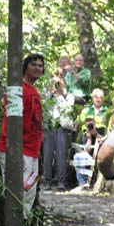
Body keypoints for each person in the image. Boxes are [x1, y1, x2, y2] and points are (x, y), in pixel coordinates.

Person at [0, 54, 44, 221]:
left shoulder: (33, 90)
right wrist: (13, 150)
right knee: (16, 192)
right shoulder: (17, 89)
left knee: (29, 192)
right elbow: (10, 122)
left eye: (40, 65)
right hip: (18, 150)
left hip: (32, 150)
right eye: (34, 65)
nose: (38, 68)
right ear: (25, 66)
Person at [41, 56, 75, 191]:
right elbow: (43, 102)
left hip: (62, 126)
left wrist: (61, 93)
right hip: (49, 125)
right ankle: (47, 180)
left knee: (61, 155)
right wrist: (50, 89)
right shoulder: (47, 89)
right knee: (47, 154)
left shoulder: (68, 92)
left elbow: (69, 107)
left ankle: (61, 181)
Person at [72, 88, 110, 188]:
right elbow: (78, 123)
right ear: (93, 98)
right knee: (79, 156)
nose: (98, 99)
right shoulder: (86, 110)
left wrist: (96, 132)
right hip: (87, 136)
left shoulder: (107, 111)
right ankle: (82, 182)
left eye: (101, 98)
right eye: (96, 97)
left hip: (101, 137)